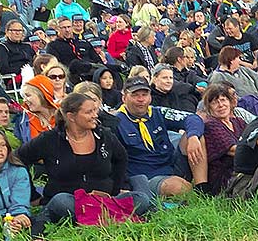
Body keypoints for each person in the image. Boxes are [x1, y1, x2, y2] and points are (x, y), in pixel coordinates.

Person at [19, 93, 157, 225]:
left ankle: (97, 217)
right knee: (61, 202)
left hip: (104, 200)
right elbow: (18, 158)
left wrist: (118, 187)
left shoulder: (104, 136)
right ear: (71, 116)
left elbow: (121, 158)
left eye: (94, 111)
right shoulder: (49, 139)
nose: (94, 116)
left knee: (141, 198)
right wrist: (32, 195)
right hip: (71, 202)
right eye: (89, 112)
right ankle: (112, 217)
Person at [112, 77, 204, 196]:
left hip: (172, 165)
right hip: (147, 177)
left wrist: (193, 137)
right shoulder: (116, 122)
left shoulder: (158, 112)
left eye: (144, 95)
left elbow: (193, 118)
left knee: (197, 135)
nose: (141, 99)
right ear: (124, 98)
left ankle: (202, 187)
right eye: (135, 95)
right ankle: (190, 192)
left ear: (150, 97)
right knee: (178, 187)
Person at [199, 84, 250, 195]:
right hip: (227, 179)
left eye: (223, 100)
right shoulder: (211, 125)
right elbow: (234, 151)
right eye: (215, 102)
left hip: (245, 170)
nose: (221, 105)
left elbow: (254, 138)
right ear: (209, 107)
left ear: (230, 102)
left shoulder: (239, 122)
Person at [14, 75, 59, 144]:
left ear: (41, 94)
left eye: (28, 95)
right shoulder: (25, 120)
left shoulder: (63, 113)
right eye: (24, 96)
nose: (24, 100)